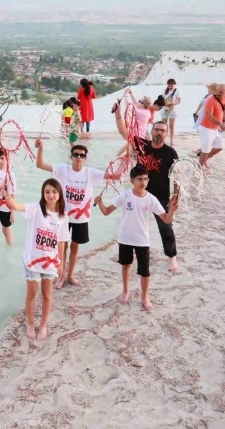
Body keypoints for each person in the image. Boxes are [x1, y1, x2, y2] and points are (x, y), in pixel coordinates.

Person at [35, 139, 120, 288]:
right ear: (71, 157)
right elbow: (40, 165)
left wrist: (127, 158)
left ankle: (70, 275)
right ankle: (60, 276)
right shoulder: (63, 169)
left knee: (75, 247)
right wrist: (41, 148)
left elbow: (115, 176)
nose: (79, 158)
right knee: (62, 247)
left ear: (85, 158)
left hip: (81, 218)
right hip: (63, 216)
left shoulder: (91, 173)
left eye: (82, 155)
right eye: (76, 155)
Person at [95, 166, 177, 312]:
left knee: (144, 271)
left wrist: (171, 210)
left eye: (146, 179)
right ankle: (126, 291)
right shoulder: (125, 196)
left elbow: (165, 219)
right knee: (126, 266)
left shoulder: (151, 199)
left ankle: (145, 297)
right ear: (132, 180)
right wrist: (100, 203)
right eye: (139, 179)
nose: (143, 182)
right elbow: (107, 211)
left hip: (142, 240)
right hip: (125, 238)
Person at [115, 107, 180, 273]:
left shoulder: (170, 153)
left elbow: (177, 176)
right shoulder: (141, 144)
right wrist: (117, 114)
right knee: (134, 224)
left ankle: (172, 256)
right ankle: (134, 249)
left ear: (166, 134)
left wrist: (175, 196)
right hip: (139, 194)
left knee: (165, 227)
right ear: (152, 130)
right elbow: (124, 132)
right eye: (157, 129)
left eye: (163, 131)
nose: (159, 133)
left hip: (160, 196)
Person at [3, 178, 69, 340]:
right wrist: (8, 197)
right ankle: (31, 322)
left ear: (59, 194)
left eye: (54, 192)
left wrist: (61, 263)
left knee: (47, 295)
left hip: (51, 263)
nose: (51, 195)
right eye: (47, 192)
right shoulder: (35, 208)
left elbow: (61, 242)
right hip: (33, 260)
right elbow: (18, 206)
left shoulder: (63, 216)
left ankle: (44, 324)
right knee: (31, 294)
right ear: (43, 194)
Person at [198, 83, 225, 169]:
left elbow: (224, 109)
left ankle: (204, 160)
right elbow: (209, 115)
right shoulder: (210, 100)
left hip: (215, 128)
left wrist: (224, 121)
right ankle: (199, 168)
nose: (218, 93)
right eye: (217, 91)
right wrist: (220, 124)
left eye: (221, 92)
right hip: (206, 128)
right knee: (205, 150)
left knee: (220, 146)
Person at [193, 83, 218, 156]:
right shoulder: (207, 95)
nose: (208, 89)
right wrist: (196, 111)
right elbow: (201, 103)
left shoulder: (213, 97)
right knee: (202, 132)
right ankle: (203, 148)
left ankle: (205, 149)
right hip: (202, 114)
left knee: (206, 133)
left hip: (207, 116)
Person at [159, 79, 181, 146]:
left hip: (172, 109)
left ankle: (171, 141)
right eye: (169, 85)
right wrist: (164, 103)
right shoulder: (165, 90)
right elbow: (162, 99)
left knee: (171, 126)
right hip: (165, 108)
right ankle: (163, 140)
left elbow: (179, 101)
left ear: (174, 84)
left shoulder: (177, 91)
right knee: (164, 125)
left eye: (172, 85)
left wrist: (173, 103)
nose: (170, 87)